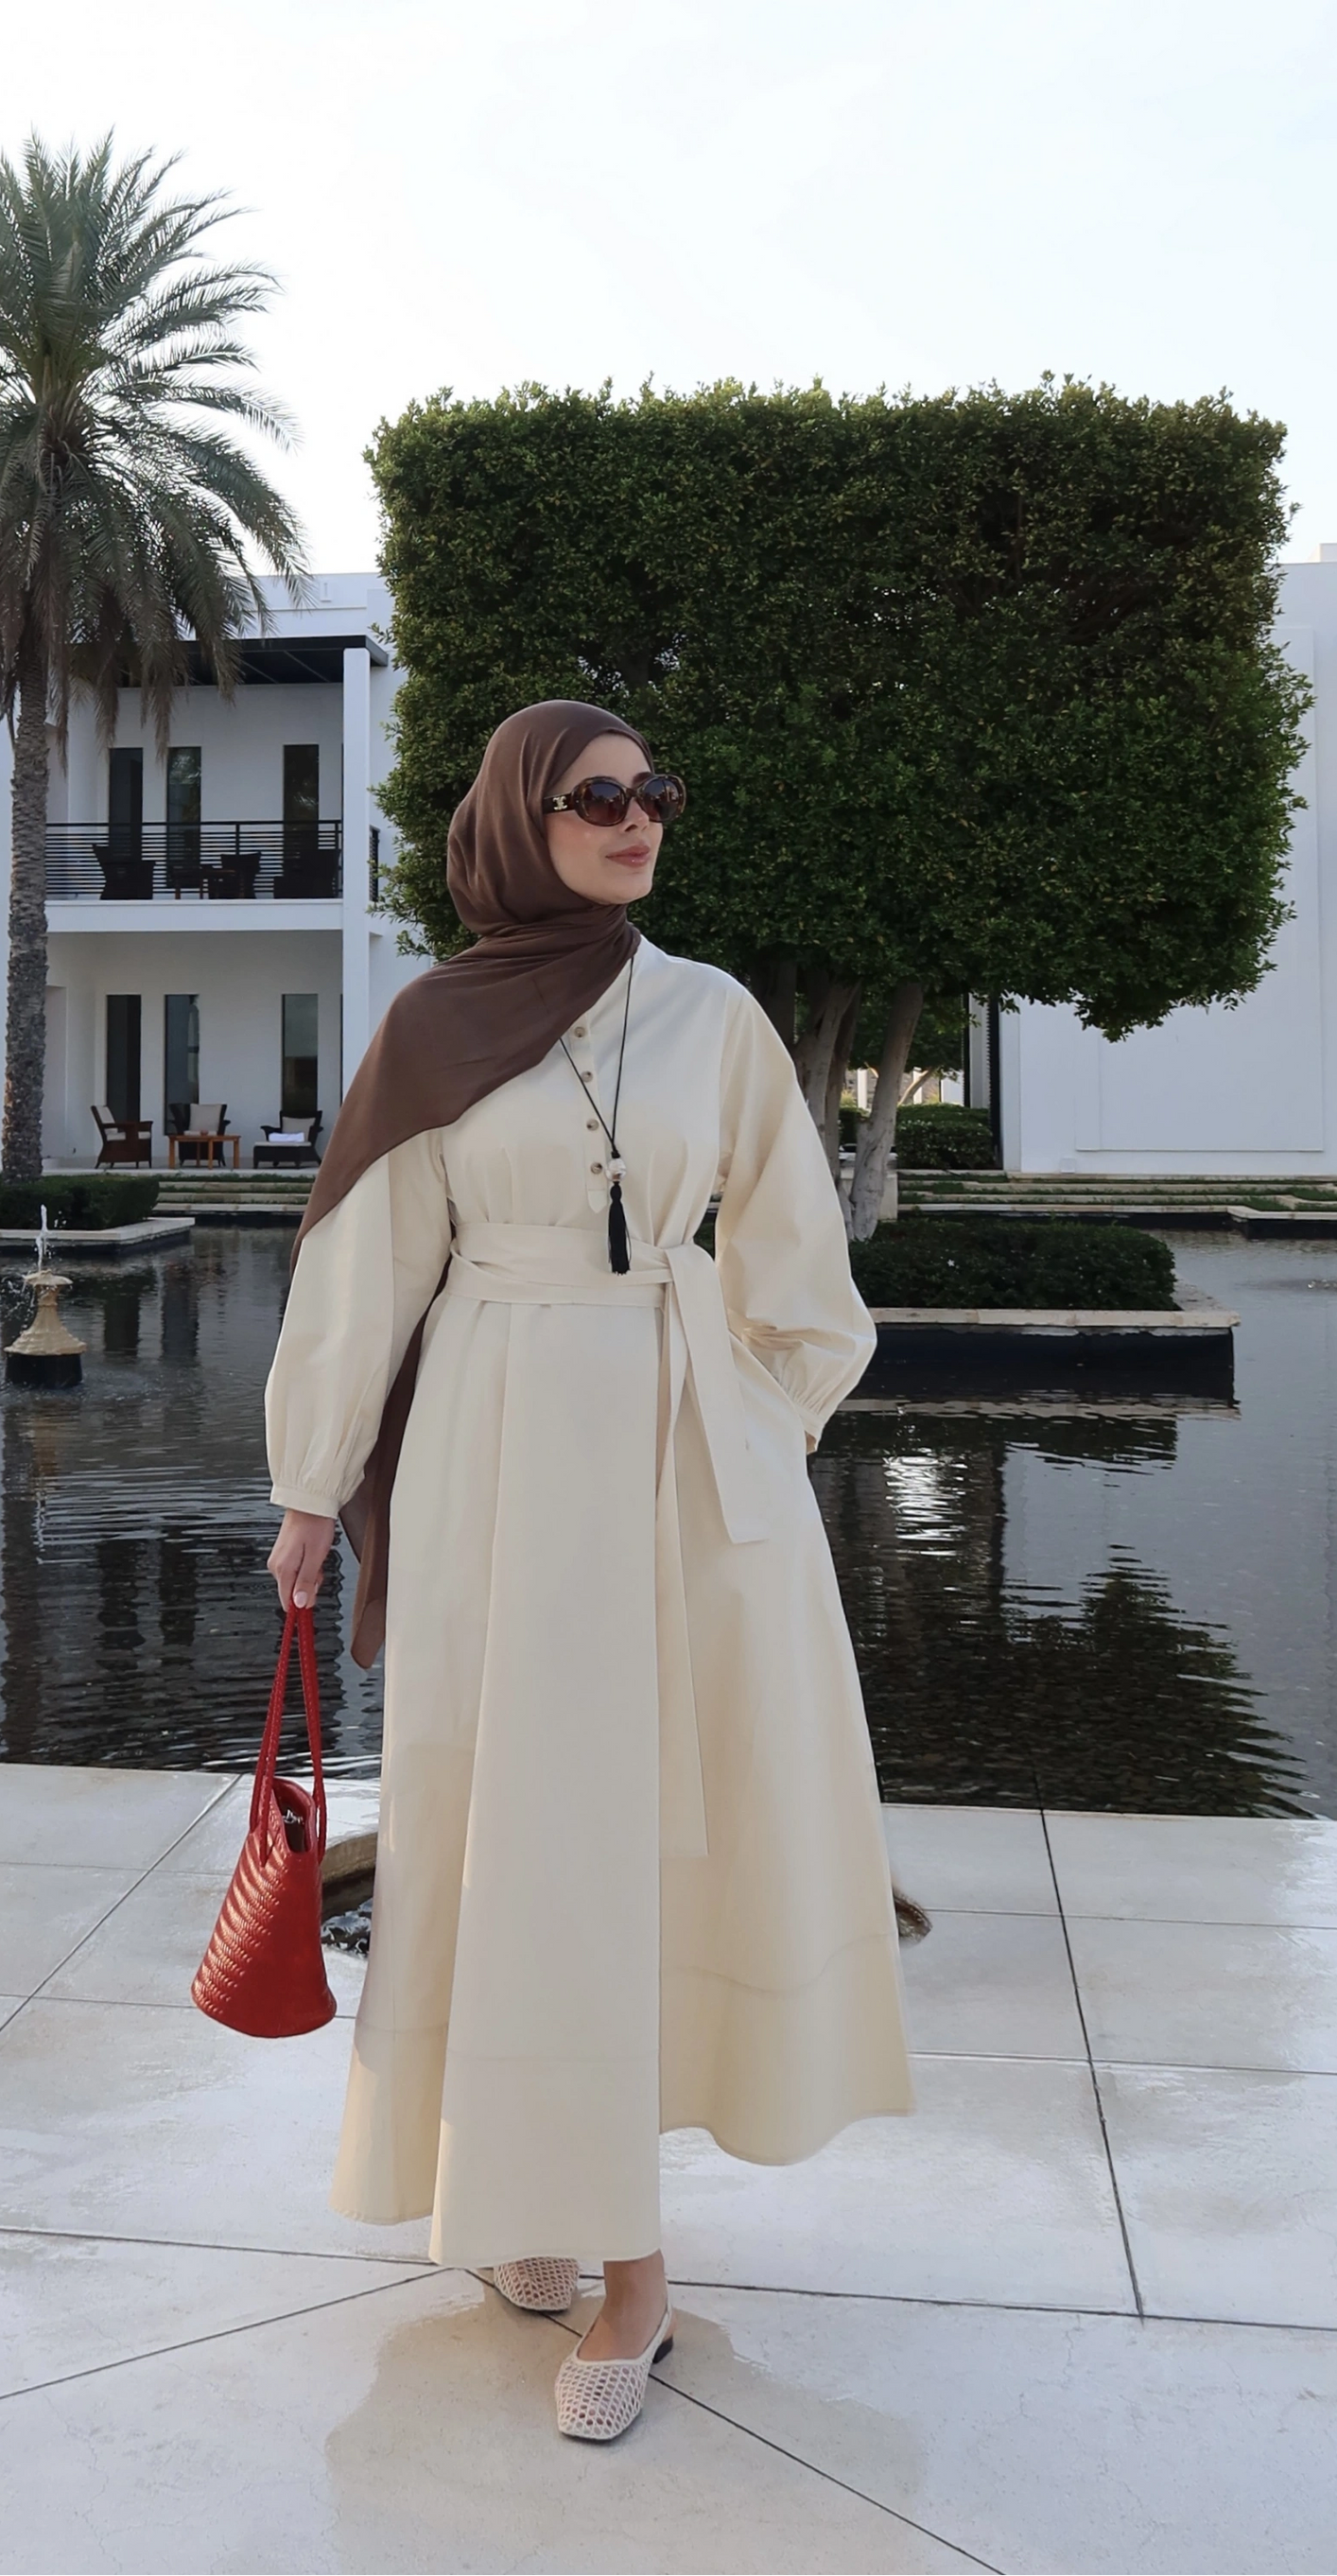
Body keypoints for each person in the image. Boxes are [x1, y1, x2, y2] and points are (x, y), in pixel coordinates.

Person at [265, 700, 912, 2443]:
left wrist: (760, 1423)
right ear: (515, 821)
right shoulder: (433, 1026)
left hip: (688, 1465)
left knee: (655, 1837)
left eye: (655, 793)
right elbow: (365, 1269)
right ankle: (541, 2197)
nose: (637, 820)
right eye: (597, 796)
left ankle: (636, 2275)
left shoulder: (712, 1015)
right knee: (522, 1837)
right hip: (496, 1458)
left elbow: (797, 1262)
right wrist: (312, 1485)